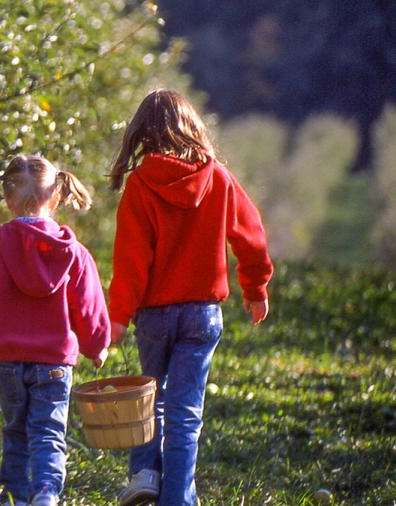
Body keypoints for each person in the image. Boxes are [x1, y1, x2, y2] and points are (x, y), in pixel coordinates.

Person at [108, 90, 274, 506]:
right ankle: (177, 498)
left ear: (143, 133)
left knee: (152, 398)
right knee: (185, 413)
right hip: (202, 315)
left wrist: (118, 317)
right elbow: (250, 236)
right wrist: (255, 288)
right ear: (193, 128)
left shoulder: (141, 185)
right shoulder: (218, 177)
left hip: (154, 316)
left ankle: (146, 474)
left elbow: (132, 260)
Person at [0, 154, 111, 506]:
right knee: (48, 431)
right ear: (56, 196)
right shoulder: (75, 254)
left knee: (16, 430)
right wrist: (97, 345)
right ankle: (46, 493)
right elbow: (89, 305)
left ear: (5, 199)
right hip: (54, 360)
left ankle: (15, 496)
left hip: (4, 361)